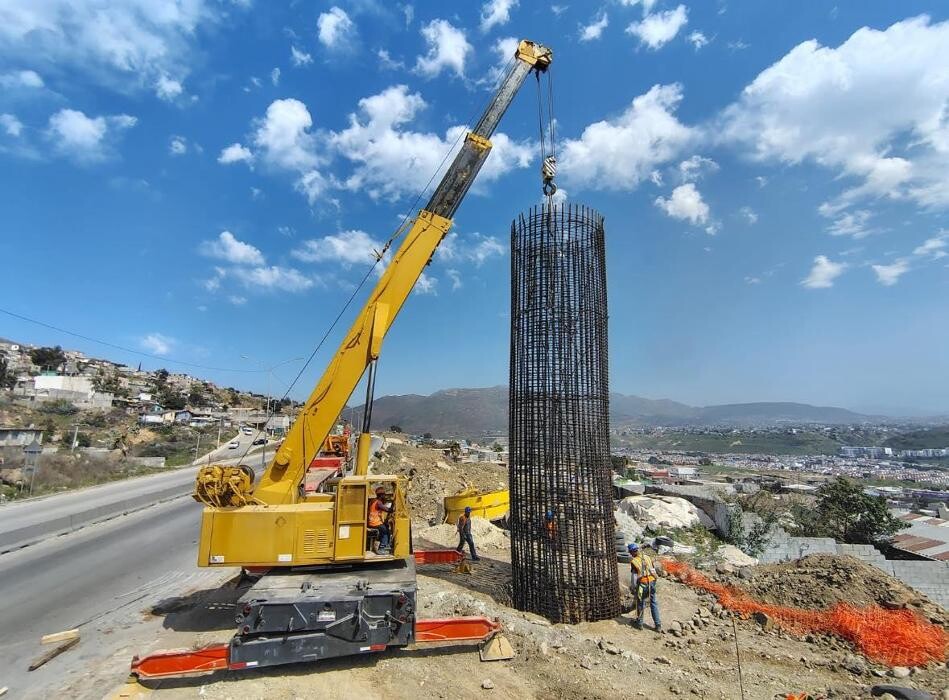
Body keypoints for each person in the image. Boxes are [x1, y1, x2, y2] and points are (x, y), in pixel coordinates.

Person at [629, 543, 661, 631]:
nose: (630, 554)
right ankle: (658, 625)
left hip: (642, 584)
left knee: (640, 603)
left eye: (630, 553)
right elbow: (652, 570)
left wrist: (634, 588)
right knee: (653, 603)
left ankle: (639, 624)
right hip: (652, 582)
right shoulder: (647, 557)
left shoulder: (634, 561)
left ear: (632, 552)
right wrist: (655, 580)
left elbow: (634, 577)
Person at [368, 486, 393, 552]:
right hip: (375, 522)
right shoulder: (378, 502)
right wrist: (392, 509)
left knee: (386, 526)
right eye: (384, 494)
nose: (384, 496)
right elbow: (386, 509)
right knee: (385, 531)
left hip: (371, 521)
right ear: (381, 495)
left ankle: (386, 544)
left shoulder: (373, 501)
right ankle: (382, 548)